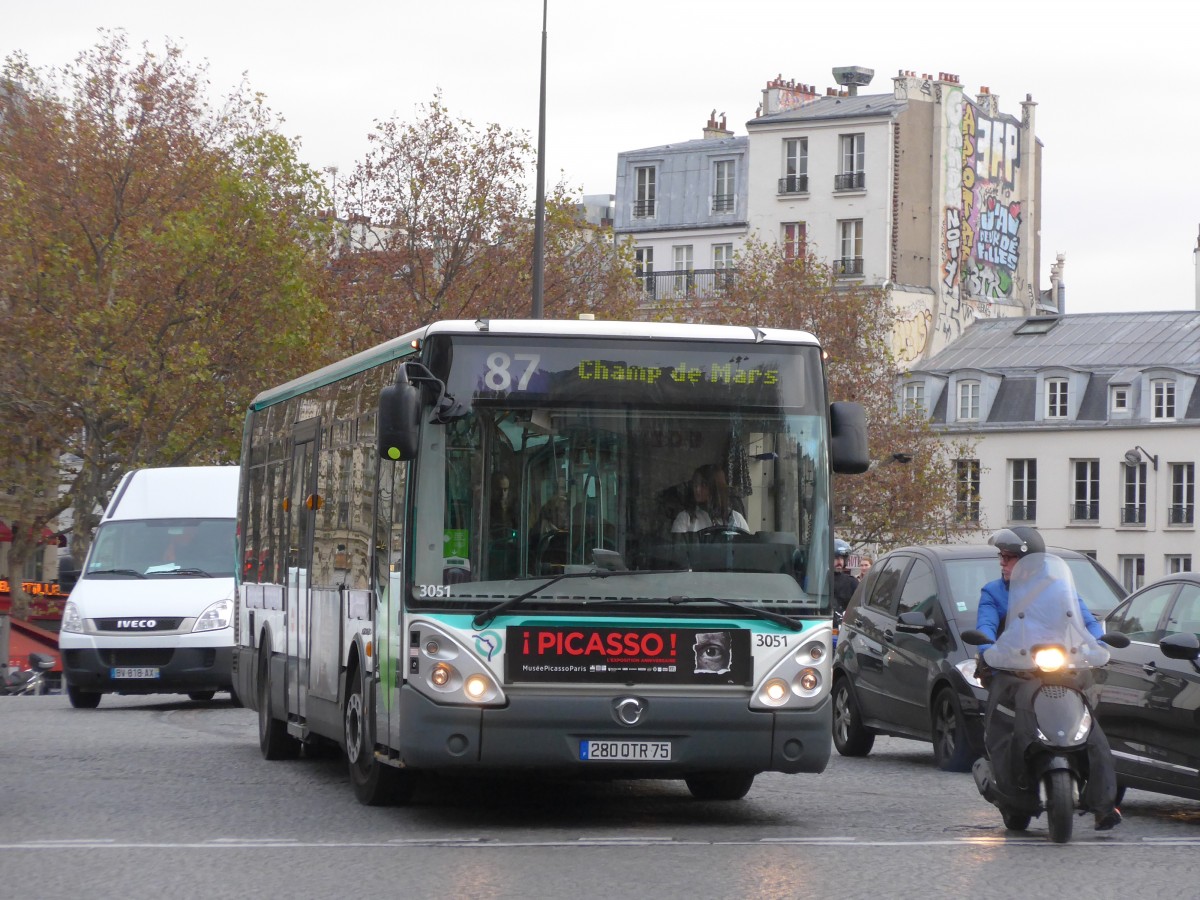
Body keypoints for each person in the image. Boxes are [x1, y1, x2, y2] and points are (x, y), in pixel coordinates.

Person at [974, 525, 1120, 831]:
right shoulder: (993, 592)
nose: (1002, 563)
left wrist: (1098, 643)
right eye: (1001, 557)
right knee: (1006, 724)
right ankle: (1009, 790)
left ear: (1032, 563)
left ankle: (1104, 804)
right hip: (1014, 670)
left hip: (1057, 668)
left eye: (1009, 558)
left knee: (1089, 725)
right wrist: (988, 646)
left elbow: (1085, 620)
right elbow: (986, 626)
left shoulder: (1056, 587)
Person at [671, 464, 749, 534]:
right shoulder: (686, 518)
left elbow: (747, 547)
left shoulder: (736, 519)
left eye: (703, 484)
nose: (697, 489)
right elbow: (677, 548)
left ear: (716, 488)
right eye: (695, 484)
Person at [832, 539, 858, 612]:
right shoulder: (819, 581)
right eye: (836, 558)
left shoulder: (852, 583)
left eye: (842, 558)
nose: (840, 562)